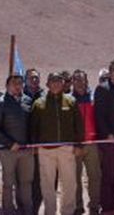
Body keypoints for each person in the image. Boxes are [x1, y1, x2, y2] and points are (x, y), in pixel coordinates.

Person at [32, 72, 84, 215]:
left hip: (66, 149)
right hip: (45, 150)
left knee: (69, 183)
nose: (55, 84)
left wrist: (79, 145)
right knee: (47, 184)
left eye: (58, 81)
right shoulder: (39, 103)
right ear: (47, 84)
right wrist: (34, 146)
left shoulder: (71, 101)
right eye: (52, 81)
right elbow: (33, 128)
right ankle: (50, 211)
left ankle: (67, 211)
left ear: (63, 84)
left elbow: (79, 125)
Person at [0, 73, 34, 215]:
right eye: (14, 83)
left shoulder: (28, 101)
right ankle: (8, 210)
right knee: (8, 183)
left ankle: (27, 210)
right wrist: (9, 143)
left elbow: (32, 125)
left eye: (20, 83)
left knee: (26, 182)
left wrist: (32, 144)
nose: (17, 86)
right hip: (8, 150)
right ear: (7, 86)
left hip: (26, 150)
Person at [94, 59, 114, 215]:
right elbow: (99, 115)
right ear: (110, 71)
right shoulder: (102, 88)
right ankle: (107, 207)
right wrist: (108, 134)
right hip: (108, 140)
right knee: (108, 174)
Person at [71, 70, 102, 215]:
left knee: (95, 176)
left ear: (86, 81)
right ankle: (78, 206)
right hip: (75, 145)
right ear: (72, 82)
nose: (79, 82)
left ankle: (94, 206)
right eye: (76, 79)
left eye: (81, 79)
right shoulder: (69, 100)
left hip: (92, 144)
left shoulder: (93, 98)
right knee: (75, 178)